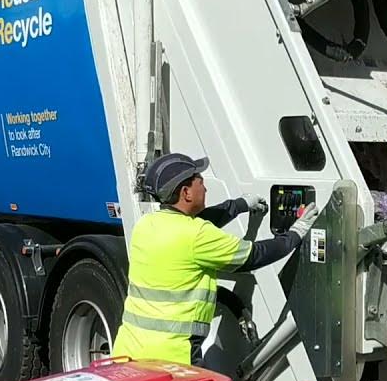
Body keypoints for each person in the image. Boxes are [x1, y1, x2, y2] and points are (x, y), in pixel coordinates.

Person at [114, 153, 319, 366]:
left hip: (129, 353)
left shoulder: (146, 225)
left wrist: (240, 205)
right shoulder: (197, 234)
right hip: (174, 359)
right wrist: (295, 234)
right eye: (200, 182)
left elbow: (201, 221)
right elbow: (254, 255)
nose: (205, 188)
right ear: (186, 193)